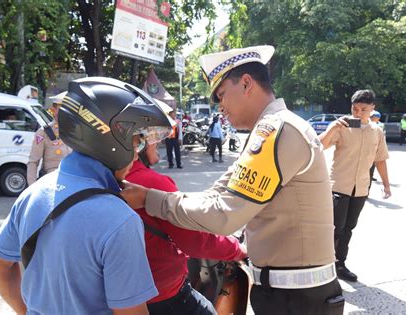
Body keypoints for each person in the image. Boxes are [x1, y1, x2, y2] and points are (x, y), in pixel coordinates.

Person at [122, 45, 344, 314]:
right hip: (287, 293)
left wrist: (150, 198)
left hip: (298, 298)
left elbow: (224, 214)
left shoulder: (276, 130)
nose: (221, 107)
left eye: (222, 95)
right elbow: (216, 194)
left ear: (247, 83)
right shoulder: (270, 129)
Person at [0, 77, 174, 314]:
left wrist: (24, 311)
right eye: (136, 142)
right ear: (110, 140)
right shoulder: (120, 220)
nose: (137, 155)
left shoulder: (32, 194)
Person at [126, 140, 246, 315]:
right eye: (149, 137)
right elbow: (196, 240)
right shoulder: (149, 182)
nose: (159, 141)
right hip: (163, 294)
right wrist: (238, 250)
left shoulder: (98, 179)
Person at [319, 89, 391, 283]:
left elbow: (381, 159)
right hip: (339, 185)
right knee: (335, 228)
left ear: (373, 109)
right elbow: (319, 146)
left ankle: (339, 264)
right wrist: (332, 128)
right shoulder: (343, 127)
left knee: (349, 227)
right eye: (355, 109)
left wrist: (386, 185)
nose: (358, 113)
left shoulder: (377, 131)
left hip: (360, 188)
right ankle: (323, 266)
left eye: (363, 109)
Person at [26, 92, 72, 185]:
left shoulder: (75, 131)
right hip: (52, 182)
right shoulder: (44, 132)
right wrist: (32, 186)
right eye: (61, 109)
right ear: (53, 110)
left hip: (72, 180)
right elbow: (33, 162)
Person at [369, 110, 384, 183]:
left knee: (374, 163)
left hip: (376, 146)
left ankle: (371, 175)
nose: (372, 118)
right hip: (369, 146)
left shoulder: (380, 125)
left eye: (375, 117)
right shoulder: (368, 124)